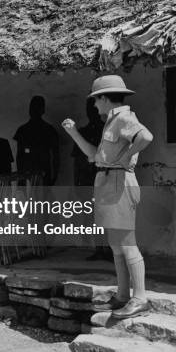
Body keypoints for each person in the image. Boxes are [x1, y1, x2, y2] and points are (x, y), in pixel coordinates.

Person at [62, 75, 153, 319]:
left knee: (127, 243)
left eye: (95, 99)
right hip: (108, 182)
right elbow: (94, 156)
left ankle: (139, 297)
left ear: (104, 97)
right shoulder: (111, 121)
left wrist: (127, 156)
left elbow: (145, 137)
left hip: (120, 183)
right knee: (116, 245)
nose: (94, 105)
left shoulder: (124, 117)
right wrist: (73, 133)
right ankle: (123, 295)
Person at [71, 99, 112, 261]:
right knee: (93, 217)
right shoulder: (82, 132)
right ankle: (99, 248)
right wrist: (77, 182)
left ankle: (109, 248)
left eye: (93, 108)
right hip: (87, 178)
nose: (92, 112)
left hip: (105, 177)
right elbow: (76, 160)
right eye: (89, 109)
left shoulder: (107, 130)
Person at [14, 96, 60, 186]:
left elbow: (56, 157)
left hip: (41, 174)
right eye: (32, 107)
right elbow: (19, 156)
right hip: (27, 174)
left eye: (36, 107)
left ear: (42, 110)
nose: (33, 110)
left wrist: (54, 176)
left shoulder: (48, 130)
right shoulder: (23, 130)